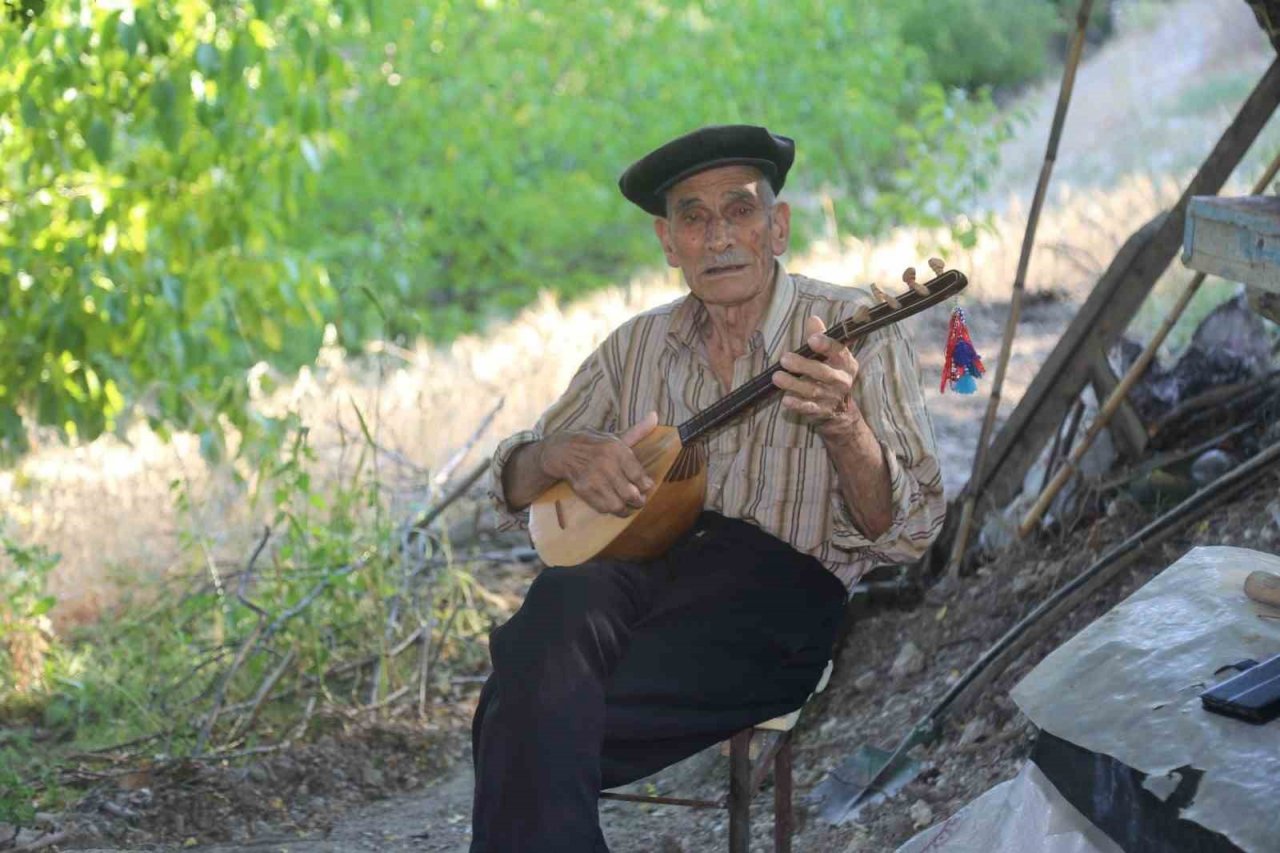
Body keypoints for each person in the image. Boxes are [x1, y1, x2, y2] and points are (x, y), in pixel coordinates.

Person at [469, 124, 946, 852]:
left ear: (777, 226)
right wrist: (559, 454)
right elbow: (507, 485)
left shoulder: (852, 330)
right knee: (560, 598)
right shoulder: (634, 346)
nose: (718, 236)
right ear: (669, 243)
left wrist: (846, 426)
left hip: (777, 599)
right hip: (644, 577)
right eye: (694, 217)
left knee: (516, 709)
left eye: (741, 210)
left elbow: (908, 533)